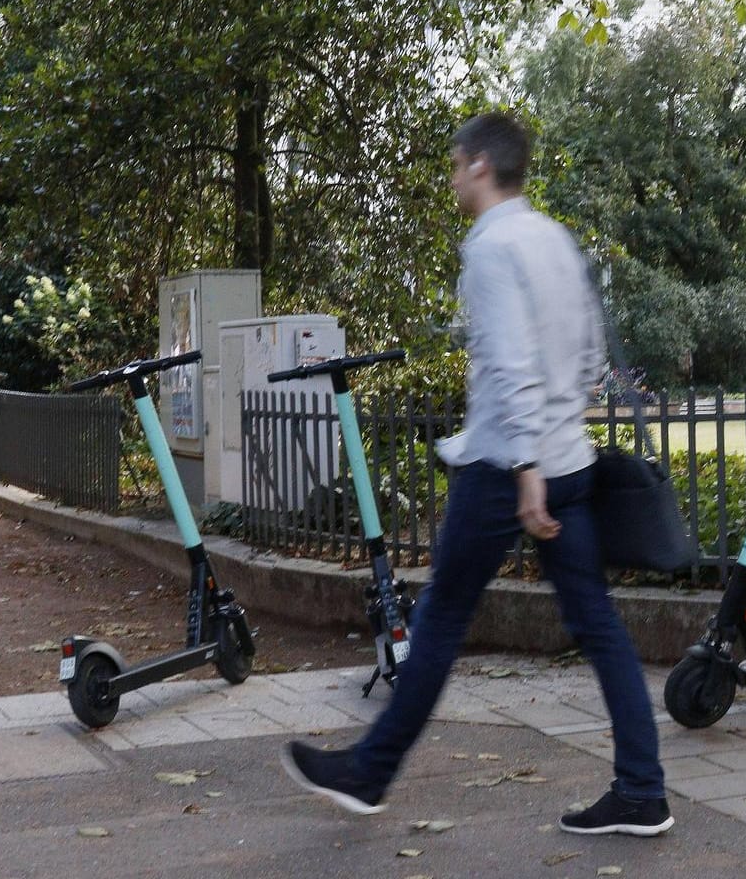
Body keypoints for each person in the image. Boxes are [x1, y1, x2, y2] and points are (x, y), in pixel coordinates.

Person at [281, 111, 671, 836]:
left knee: (439, 623)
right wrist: (554, 441)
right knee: (600, 627)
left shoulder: (492, 247)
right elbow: (589, 356)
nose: (454, 176)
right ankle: (643, 792)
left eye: (456, 164)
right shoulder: (554, 239)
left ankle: (369, 775)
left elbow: (509, 361)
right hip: (572, 463)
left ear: (480, 165)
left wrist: (524, 466)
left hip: (505, 470)